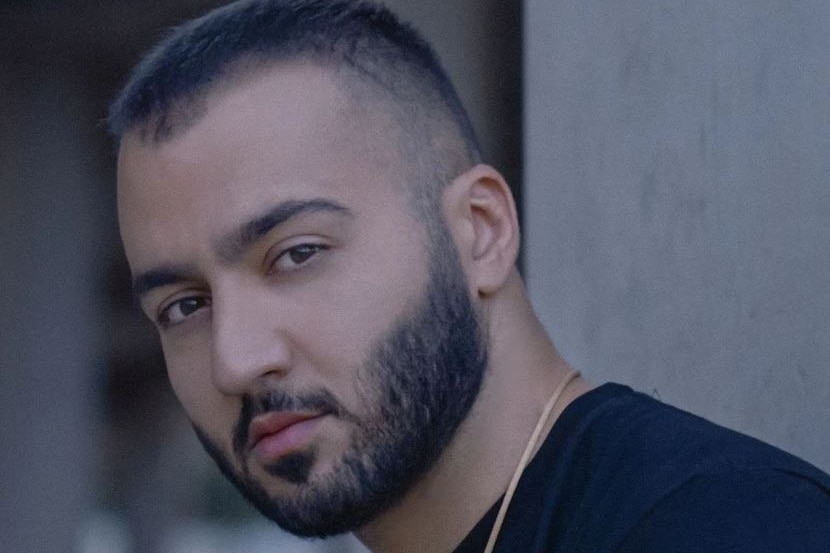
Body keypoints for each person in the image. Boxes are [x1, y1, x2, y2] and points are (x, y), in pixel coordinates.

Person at [110, 1, 830, 552]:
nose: (236, 358)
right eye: (184, 305)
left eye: (296, 253)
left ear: (479, 232)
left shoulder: (726, 527)